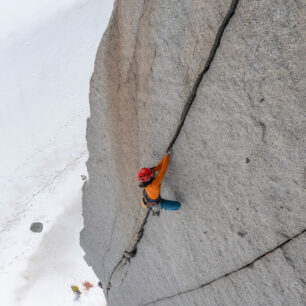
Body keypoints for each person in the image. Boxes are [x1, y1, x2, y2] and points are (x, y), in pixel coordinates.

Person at [138, 149, 181, 216]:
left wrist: (166, 156)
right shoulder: (154, 184)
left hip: (149, 196)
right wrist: (167, 156)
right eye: (151, 173)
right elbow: (163, 169)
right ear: (148, 178)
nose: (152, 172)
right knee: (178, 205)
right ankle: (163, 207)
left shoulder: (146, 181)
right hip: (155, 203)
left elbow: (158, 167)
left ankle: (148, 204)